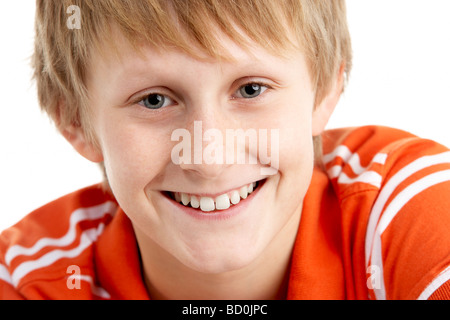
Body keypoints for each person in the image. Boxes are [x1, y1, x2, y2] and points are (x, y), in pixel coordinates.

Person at [1, 0, 449, 300]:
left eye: (251, 89)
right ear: (76, 123)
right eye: (154, 100)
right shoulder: (27, 280)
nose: (210, 160)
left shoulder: (408, 211)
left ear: (324, 92)